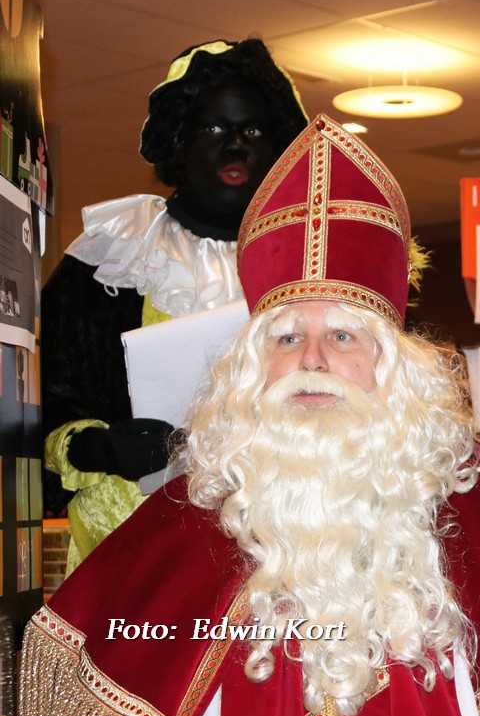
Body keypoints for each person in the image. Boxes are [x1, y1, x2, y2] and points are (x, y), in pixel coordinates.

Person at [20, 116, 480, 716]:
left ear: (391, 367)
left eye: (342, 336)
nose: (312, 360)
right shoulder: (185, 517)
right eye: (287, 338)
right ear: (253, 368)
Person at [41, 38, 308, 570]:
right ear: (179, 142)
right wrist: (102, 448)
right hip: (135, 551)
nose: (235, 146)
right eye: (214, 129)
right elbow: (42, 401)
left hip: (287, 545)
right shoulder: (110, 259)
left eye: (253, 132)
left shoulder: (317, 263)